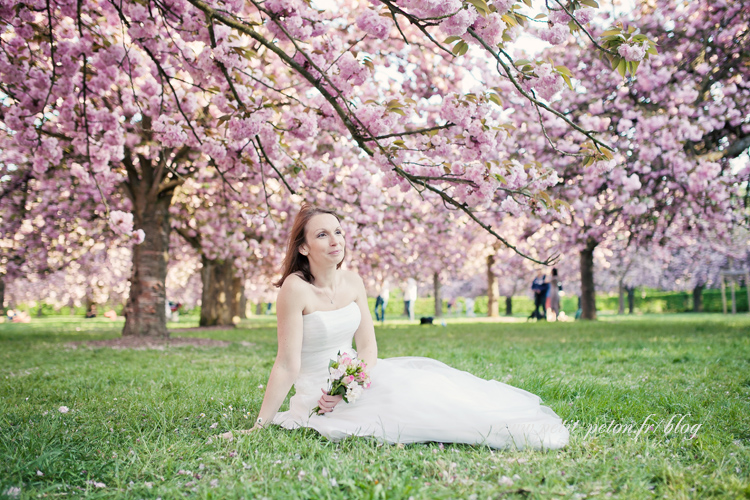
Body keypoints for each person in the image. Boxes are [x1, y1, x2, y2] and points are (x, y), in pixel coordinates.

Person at [219, 204, 568, 450]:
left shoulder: (353, 281)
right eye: (322, 234)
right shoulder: (295, 289)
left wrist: (350, 383)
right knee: (406, 417)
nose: (335, 240)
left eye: (338, 231)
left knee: (426, 392)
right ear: (304, 246)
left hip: (357, 379)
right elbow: (286, 363)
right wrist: (259, 426)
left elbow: (368, 349)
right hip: (319, 399)